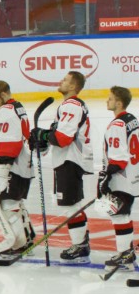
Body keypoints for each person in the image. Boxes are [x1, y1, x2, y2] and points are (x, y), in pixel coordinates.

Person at [29, 71, 93, 263]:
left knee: (70, 204)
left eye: (65, 80)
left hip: (70, 160)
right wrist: (44, 139)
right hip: (69, 159)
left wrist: (43, 135)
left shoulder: (71, 105)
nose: (61, 81)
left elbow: (64, 139)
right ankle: (80, 243)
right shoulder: (69, 106)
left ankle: (80, 245)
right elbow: (58, 136)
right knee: (72, 204)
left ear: (73, 86)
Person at [0, 81, 34, 257]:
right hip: (23, 165)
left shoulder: (7, 112)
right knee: (16, 203)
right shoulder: (19, 107)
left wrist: (0, 170)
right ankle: (27, 237)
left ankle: (18, 243)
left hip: (12, 167)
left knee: (8, 205)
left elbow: (9, 144)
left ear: (3, 94)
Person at [96, 86, 139, 270]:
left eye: (111, 98)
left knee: (118, 215)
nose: (107, 101)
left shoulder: (117, 125)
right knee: (124, 214)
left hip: (121, 178)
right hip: (134, 177)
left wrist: (106, 177)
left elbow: (119, 158)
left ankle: (124, 254)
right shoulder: (132, 120)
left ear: (119, 103)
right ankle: (127, 254)